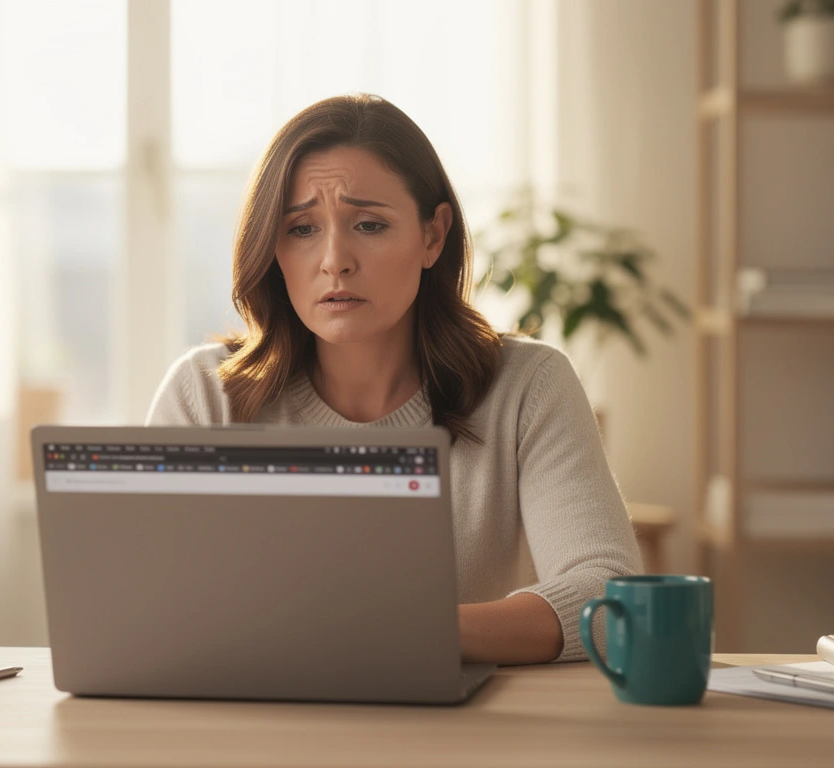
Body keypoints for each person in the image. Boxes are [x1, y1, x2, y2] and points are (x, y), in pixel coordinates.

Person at [147, 93, 640, 665]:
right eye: (302, 229)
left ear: (433, 236)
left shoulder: (529, 385)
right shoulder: (207, 394)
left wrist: (402, 631)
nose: (335, 260)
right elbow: (149, 605)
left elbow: (608, 598)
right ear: (272, 247)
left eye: (370, 224)